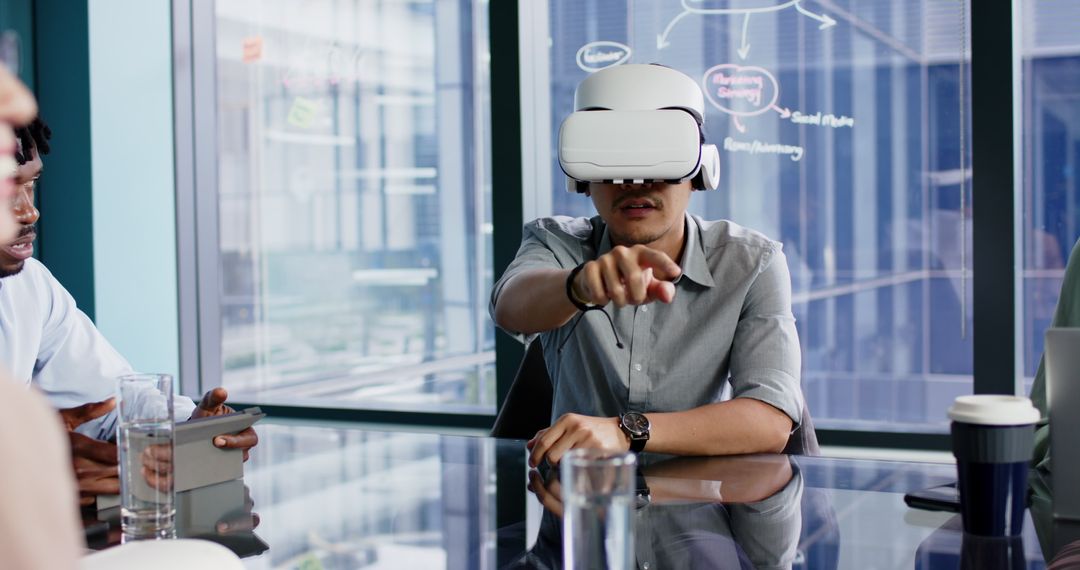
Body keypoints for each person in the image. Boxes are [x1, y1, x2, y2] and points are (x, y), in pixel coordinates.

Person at [491, 64, 802, 468]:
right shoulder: (557, 242)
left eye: (660, 165)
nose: (636, 184)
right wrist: (579, 286)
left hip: (701, 508)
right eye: (615, 167)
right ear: (583, 179)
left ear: (700, 173)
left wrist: (625, 431)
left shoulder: (750, 263)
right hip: (579, 505)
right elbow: (510, 308)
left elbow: (770, 420)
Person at [1, 112, 258, 506]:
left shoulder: (28, 286)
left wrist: (191, 429)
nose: (28, 212)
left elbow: (104, 403)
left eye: (30, 184)